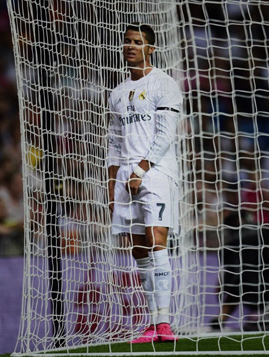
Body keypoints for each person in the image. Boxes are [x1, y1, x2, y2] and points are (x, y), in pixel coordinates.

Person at [107, 23, 182, 343]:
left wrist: (140, 170)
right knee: (139, 249)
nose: (130, 46)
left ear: (151, 48)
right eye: (127, 41)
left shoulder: (165, 85)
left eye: (137, 42)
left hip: (157, 172)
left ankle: (164, 322)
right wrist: (113, 182)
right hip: (126, 175)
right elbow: (113, 141)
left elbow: (166, 136)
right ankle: (152, 322)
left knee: (156, 240)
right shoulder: (117, 92)